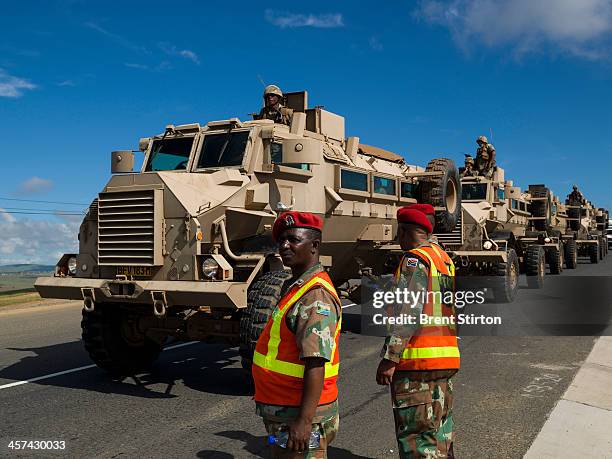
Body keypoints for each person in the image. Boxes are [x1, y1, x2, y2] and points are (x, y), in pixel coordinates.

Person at [252, 211, 342, 458]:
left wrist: (304, 421)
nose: (284, 246)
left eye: (293, 239)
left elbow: (315, 361)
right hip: (281, 410)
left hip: (297, 414)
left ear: (314, 246)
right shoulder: (296, 286)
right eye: (281, 240)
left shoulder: (315, 295)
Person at [376, 203, 460, 458]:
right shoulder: (442, 258)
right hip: (444, 358)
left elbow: (407, 313)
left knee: (418, 440)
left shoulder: (415, 260)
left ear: (403, 231)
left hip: (418, 365)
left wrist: (389, 359)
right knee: (441, 436)